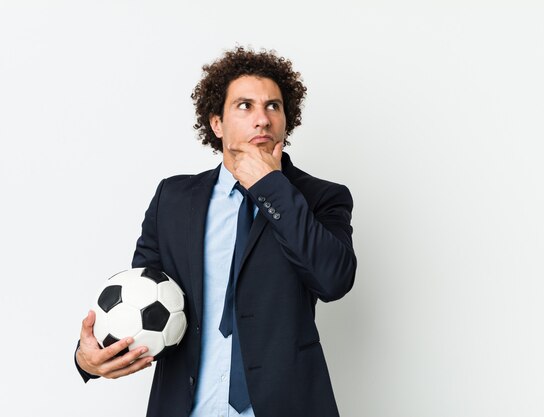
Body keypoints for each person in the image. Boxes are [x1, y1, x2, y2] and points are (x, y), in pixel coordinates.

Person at [75, 47, 357, 417]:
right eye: (245, 106)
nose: (262, 120)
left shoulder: (322, 197)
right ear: (217, 124)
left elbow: (333, 280)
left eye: (273, 106)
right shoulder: (173, 199)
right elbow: (139, 295)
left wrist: (271, 186)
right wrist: (88, 357)